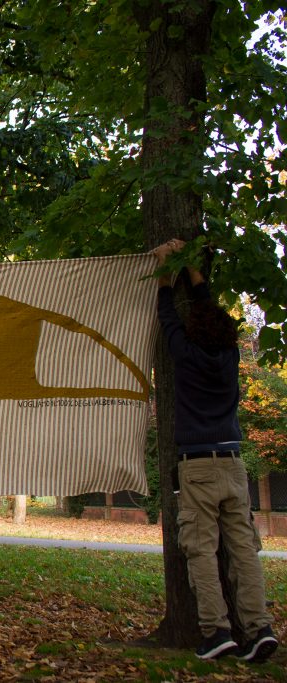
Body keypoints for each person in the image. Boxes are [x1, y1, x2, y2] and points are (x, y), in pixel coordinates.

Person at [152, 239, 278, 662]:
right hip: (233, 464)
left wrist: (166, 274)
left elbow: (167, 317)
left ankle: (217, 631)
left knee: (201, 550)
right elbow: (208, 311)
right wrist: (194, 271)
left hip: (198, 465)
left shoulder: (184, 357)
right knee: (243, 549)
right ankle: (258, 627)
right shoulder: (229, 357)